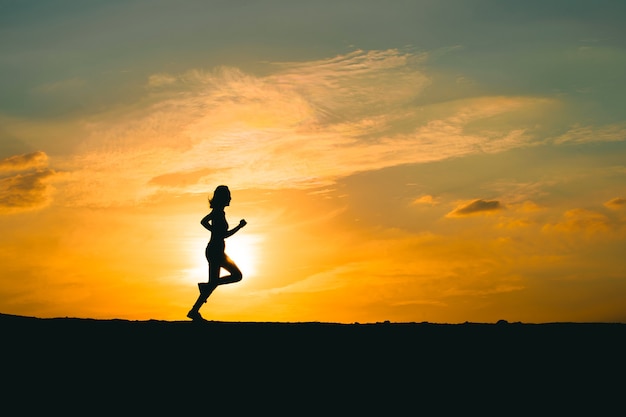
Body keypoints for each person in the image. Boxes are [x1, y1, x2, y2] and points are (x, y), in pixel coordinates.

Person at [187, 185, 247, 321]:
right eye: (228, 195)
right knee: (236, 276)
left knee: (215, 282)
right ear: (223, 198)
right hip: (215, 251)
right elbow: (222, 233)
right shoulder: (218, 212)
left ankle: (194, 310)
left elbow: (206, 223)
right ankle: (200, 298)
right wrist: (238, 226)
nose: (230, 198)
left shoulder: (219, 212)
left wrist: (214, 230)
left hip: (217, 250)